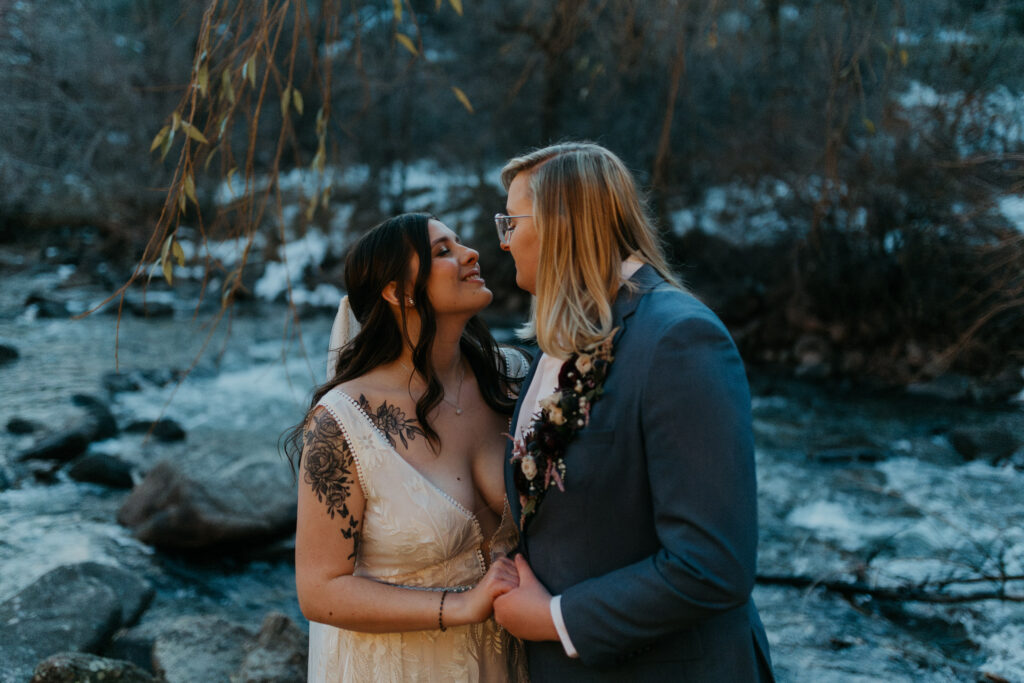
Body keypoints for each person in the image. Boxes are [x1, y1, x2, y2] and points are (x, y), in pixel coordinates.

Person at [491, 142, 775, 681]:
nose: (504, 243)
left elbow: (713, 565)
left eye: (512, 221)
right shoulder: (555, 347)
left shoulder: (678, 338)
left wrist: (554, 619)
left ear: (561, 222)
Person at [286, 213, 530, 682]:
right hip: (398, 667)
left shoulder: (515, 380)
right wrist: (460, 607)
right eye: (443, 251)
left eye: (460, 242)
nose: (471, 253)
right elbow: (318, 591)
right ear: (397, 292)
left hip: (507, 659)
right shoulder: (343, 422)